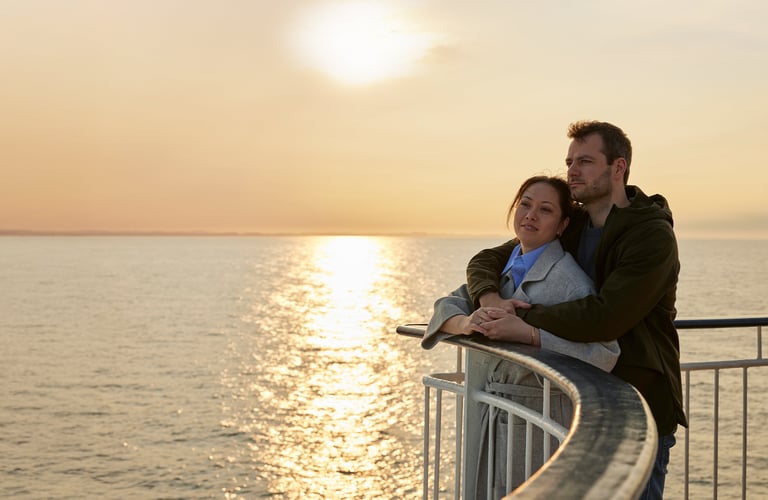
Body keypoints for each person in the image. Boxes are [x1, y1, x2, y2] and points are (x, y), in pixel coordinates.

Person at [466, 121, 687, 499]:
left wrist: (523, 320)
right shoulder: (574, 224)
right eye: (569, 161)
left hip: (639, 405)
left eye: (585, 161)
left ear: (618, 167)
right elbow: (488, 258)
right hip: (581, 404)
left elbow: (606, 316)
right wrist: (491, 299)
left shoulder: (651, 235)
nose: (572, 170)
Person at [423, 175, 620, 496]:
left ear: (562, 225)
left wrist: (532, 335)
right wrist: (466, 323)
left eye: (545, 210)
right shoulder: (503, 269)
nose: (530, 215)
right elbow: (447, 304)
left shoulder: (570, 282)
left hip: (542, 418)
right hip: (494, 408)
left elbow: (605, 353)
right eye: (525, 204)